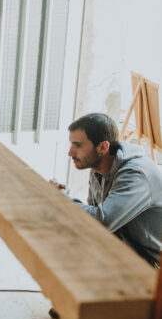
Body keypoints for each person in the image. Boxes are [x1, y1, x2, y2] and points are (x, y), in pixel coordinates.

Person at [65, 113, 162, 268]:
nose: (70, 152)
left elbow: (100, 221)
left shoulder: (136, 176)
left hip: (150, 269)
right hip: (123, 254)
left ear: (103, 147)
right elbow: (92, 217)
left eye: (78, 145)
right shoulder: (98, 168)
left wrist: (62, 200)